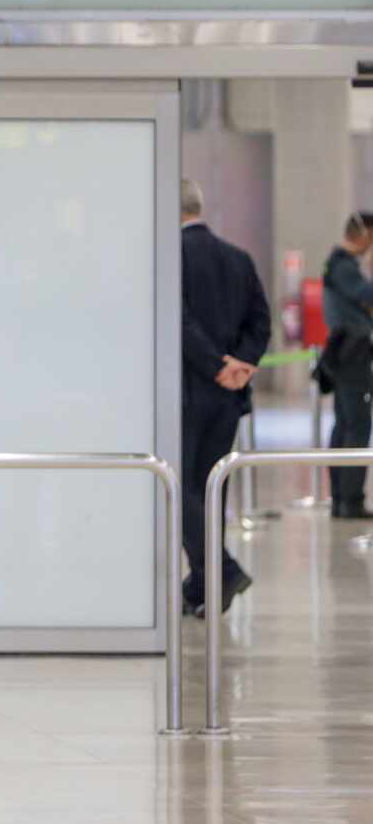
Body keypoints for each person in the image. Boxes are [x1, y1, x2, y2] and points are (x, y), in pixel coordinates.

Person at [180, 179, 270, 618]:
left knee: (179, 487)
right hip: (229, 398)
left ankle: (222, 571)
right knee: (213, 488)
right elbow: (261, 322)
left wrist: (215, 364)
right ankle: (202, 587)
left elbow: (179, 323)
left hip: (186, 393)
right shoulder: (239, 258)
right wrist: (241, 366)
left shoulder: (171, 258)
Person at [322, 211, 373, 519]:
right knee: (356, 426)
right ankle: (349, 500)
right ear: (364, 234)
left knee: (345, 424)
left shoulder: (338, 265)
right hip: (352, 355)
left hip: (344, 353)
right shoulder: (343, 266)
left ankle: (342, 498)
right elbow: (366, 294)